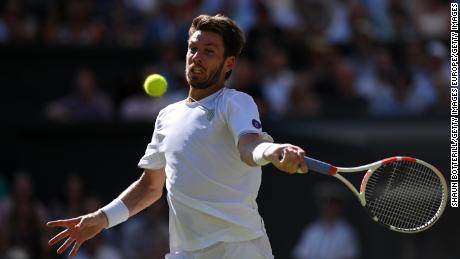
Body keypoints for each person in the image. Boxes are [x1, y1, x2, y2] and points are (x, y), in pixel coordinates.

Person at [46, 14, 308, 259]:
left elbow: (249, 147)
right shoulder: (167, 116)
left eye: (209, 52)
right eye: (193, 49)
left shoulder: (236, 102)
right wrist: (102, 218)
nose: (197, 57)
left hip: (239, 249)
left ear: (229, 63)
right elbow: (150, 187)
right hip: (185, 252)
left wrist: (272, 152)